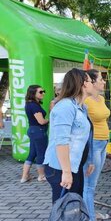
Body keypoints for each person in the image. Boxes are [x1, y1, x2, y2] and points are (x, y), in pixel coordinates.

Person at [43, 68, 95, 203]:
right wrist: (66, 172)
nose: (93, 84)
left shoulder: (82, 107)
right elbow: (61, 142)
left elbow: (84, 139)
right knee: (64, 210)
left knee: (73, 208)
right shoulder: (65, 107)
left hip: (74, 166)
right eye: (90, 81)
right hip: (61, 168)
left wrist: (89, 160)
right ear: (83, 83)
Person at [83, 69, 111, 221]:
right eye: (101, 79)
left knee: (93, 184)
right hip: (93, 144)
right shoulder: (86, 101)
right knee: (89, 184)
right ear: (91, 82)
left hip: (102, 143)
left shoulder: (100, 98)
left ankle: (90, 212)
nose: (104, 82)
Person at [20, 85, 49, 183]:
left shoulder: (30, 104)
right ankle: (41, 176)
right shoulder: (34, 105)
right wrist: (50, 119)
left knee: (32, 154)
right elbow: (41, 121)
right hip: (38, 131)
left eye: (43, 91)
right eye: (40, 92)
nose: (43, 93)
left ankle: (24, 177)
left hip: (33, 131)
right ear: (33, 93)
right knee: (41, 154)